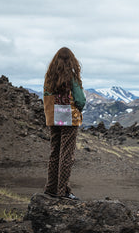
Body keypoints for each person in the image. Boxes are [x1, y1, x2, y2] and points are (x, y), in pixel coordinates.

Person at [43, 47, 86, 200]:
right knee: (66, 155)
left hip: (53, 119)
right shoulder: (72, 78)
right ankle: (63, 191)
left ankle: (50, 188)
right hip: (69, 119)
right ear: (72, 62)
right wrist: (77, 109)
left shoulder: (49, 78)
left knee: (54, 152)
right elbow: (80, 100)